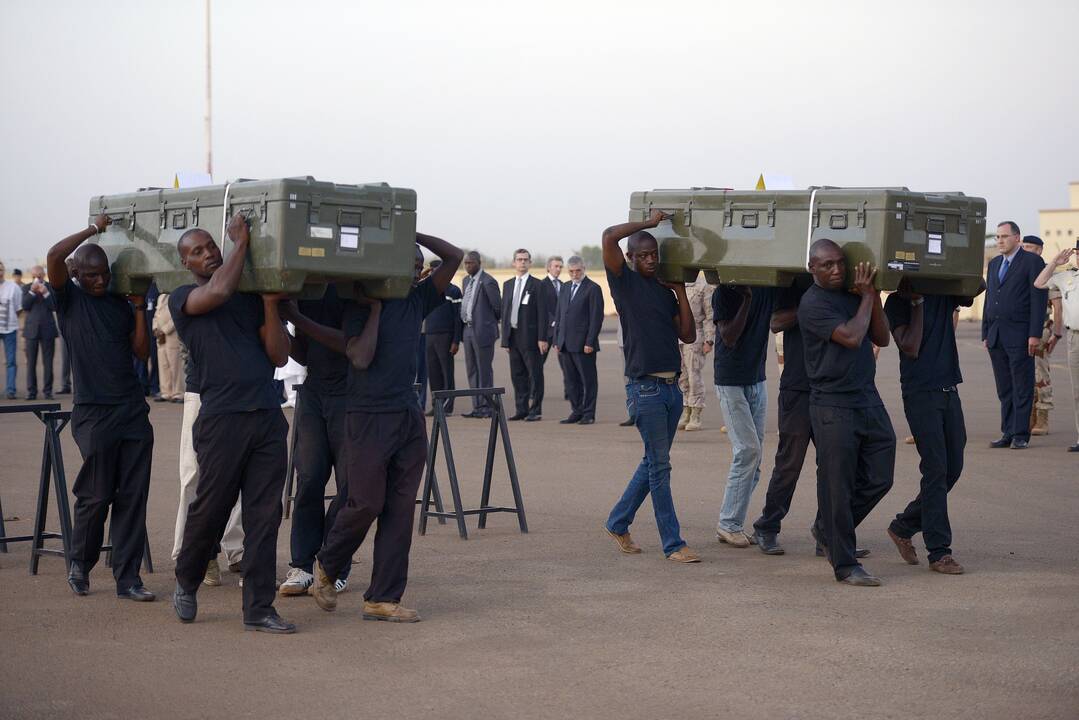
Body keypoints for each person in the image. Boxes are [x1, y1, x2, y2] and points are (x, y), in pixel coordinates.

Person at [309, 234, 464, 623]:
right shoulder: (358, 306)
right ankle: (327, 563)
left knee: (400, 509)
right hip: (367, 415)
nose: (413, 272)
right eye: (404, 265)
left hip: (407, 414)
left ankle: (382, 598)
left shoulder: (419, 298)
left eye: (416, 266)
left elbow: (453, 256)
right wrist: (376, 310)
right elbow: (359, 357)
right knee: (365, 502)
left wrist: (410, 232)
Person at [169, 214, 295, 634]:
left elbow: (279, 356)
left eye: (211, 247)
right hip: (221, 421)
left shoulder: (248, 298)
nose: (207, 254)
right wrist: (241, 241)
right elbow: (220, 288)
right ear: (185, 263)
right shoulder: (184, 298)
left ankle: (258, 608)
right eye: (197, 251)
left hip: (266, 418)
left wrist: (270, 305)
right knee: (211, 509)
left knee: (263, 517)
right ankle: (187, 579)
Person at [46, 215, 155, 601]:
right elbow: (56, 254)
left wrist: (140, 308)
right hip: (93, 413)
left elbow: (141, 352)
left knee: (132, 495)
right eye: (91, 275)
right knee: (95, 494)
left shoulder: (119, 305)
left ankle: (127, 578)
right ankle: (80, 563)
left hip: (131, 411)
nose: (99, 281)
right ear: (76, 275)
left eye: (104, 274)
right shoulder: (69, 300)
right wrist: (94, 229)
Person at [601, 210, 700, 563]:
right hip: (645, 391)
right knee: (660, 467)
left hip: (673, 390)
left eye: (653, 255)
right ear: (630, 258)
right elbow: (609, 235)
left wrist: (680, 293)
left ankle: (617, 521)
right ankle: (673, 544)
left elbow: (688, 335)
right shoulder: (623, 284)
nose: (649, 260)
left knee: (653, 463)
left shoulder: (663, 291)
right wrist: (648, 223)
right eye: (642, 255)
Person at [798, 239, 894, 586]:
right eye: (827, 265)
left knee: (881, 476)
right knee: (837, 485)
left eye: (840, 262)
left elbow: (881, 338)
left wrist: (874, 295)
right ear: (812, 268)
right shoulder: (812, 303)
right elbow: (853, 337)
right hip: (832, 402)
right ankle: (845, 563)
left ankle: (827, 529)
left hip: (866, 396)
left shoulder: (855, 293)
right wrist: (867, 296)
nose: (836, 269)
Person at [883, 279, 971, 575]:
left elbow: (977, 284)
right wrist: (917, 303)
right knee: (935, 469)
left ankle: (903, 525)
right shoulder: (896, 302)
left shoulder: (943, 292)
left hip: (949, 389)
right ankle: (939, 552)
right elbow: (910, 346)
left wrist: (952, 268)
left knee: (953, 468)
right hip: (920, 393)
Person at [277, 284, 353, 596]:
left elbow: (348, 344)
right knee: (308, 478)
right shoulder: (307, 286)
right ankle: (303, 565)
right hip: (314, 391)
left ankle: (333, 564)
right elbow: (305, 352)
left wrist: (296, 316)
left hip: (353, 394)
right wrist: (281, 320)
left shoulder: (356, 285)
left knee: (350, 484)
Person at [171, 337, 244, 586]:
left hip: (245, 384)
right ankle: (191, 552)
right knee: (194, 474)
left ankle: (239, 550)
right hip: (202, 385)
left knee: (249, 471)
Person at [712, 283, 775, 548]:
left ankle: (731, 522)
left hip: (756, 379)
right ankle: (728, 524)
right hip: (731, 380)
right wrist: (747, 300)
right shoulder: (725, 291)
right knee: (747, 451)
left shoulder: (769, 287)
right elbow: (728, 336)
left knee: (754, 457)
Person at [982, 221, 1048, 450]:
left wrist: (1034, 334)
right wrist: (985, 333)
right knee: (1004, 388)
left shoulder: (1032, 262)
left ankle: (1021, 434)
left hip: (1020, 335)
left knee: (1021, 386)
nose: (999, 241)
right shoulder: (994, 264)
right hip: (996, 335)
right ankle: (1007, 432)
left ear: (1017, 238)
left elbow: (1038, 301)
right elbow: (989, 300)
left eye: (1004, 236)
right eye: (998, 237)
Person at [1034, 244, 1079, 452]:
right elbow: (1039, 282)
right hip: (1074, 338)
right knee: (1077, 391)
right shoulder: (1066, 277)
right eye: (1078, 254)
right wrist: (1054, 263)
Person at [1020, 236, 1062, 436]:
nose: (1025, 251)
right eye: (1024, 247)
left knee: (1040, 374)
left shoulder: (1047, 272)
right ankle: (1028, 417)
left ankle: (1043, 417)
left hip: (1042, 330)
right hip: (1021, 330)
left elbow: (1057, 306)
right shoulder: (1020, 270)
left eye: (1029, 248)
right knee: (1023, 376)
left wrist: (1057, 333)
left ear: (1039, 250)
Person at [500, 249, 549, 421]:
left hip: (531, 337)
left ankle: (535, 409)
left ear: (530, 263)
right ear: (514, 262)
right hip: (513, 336)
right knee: (517, 375)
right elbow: (505, 313)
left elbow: (543, 313)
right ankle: (521, 409)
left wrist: (542, 337)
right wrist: (505, 339)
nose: (522, 262)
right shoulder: (507, 285)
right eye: (519, 259)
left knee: (534, 374)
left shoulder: (538, 285)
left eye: (525, 260)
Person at [554, 255, 604, 424]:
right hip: (565, 344)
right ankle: (577, 411)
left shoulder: (593, 288)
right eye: (571, 271)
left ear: (584, 270)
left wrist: (590, 342)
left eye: (578, 271)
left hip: (584, 345)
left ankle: (589, 413)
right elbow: (560, 314)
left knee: (588, 380)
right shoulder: (565, 287)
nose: (574, 274)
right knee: (571, 381)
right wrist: (556, 340)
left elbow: (596, 318)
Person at [460, 251, 501, 418]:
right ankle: (477, 406)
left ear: (478, 263)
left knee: (484, 370)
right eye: (466, 263)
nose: (467, 266)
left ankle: (487, 406)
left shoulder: (488, 281)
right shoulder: (465, 281)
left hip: (483, 331)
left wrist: (487, 324)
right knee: (472, 370)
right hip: (467, 330)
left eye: (470, 263)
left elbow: (498, 307)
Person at [423, 259, 463, 415]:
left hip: (446, 336)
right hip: (430, 335)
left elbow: (457, 318)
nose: (433, 273)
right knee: (433, 373)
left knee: (446, 372)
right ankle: (436, 405)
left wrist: (456, 340)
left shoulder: (453, 291)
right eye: (431, 270)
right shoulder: (428, 290)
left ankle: (448, 406)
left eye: (436, 270)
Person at [678, 275, 715, 432]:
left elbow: (709, 315)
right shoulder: (676, 283)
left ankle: (696, 414)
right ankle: (686, 409)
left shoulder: (702, 286)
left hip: (695, 334)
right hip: (677, 334)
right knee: (682, 376)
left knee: (694, 376)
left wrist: (709, 340)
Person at [21, 266, 58, 400]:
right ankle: (32, 391)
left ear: (44, 276)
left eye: (39, 276)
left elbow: (54, 306)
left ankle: (47, 391)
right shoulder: (26, 288)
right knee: (31, 363)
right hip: (31, 330)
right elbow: (25, 306)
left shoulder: (50, 287)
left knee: (48, 362)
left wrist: (46, 293)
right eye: (34, 276)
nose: (37, 279)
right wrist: (32, 292)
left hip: (48, 329)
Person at [541, 256, 570, 400]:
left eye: (560, 266)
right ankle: (534, 392)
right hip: (546, 330)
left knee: (566, 363)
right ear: (549, 267)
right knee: (538, 364)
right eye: (556, 266)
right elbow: (541, 308)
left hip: (561, 332)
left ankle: (569, 392)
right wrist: (554, 321)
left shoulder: (564, 285)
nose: (558, 269)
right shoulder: (541, 285)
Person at [151, 291, 184, 402]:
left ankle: (178, 393)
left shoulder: (176, 295)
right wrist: (156, 329)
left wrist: (165, 330)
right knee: (163, 365)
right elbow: (156, 314)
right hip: (160, 337)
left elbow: (176, 317)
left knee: (175, 366)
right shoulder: (161, 297)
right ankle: (166, 392)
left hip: (171, 336)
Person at [0, 260, 22, 399]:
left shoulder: (13, 287)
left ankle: (10, 390)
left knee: (11, 361)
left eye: (1, 269)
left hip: (9, 330)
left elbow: (18, 309)